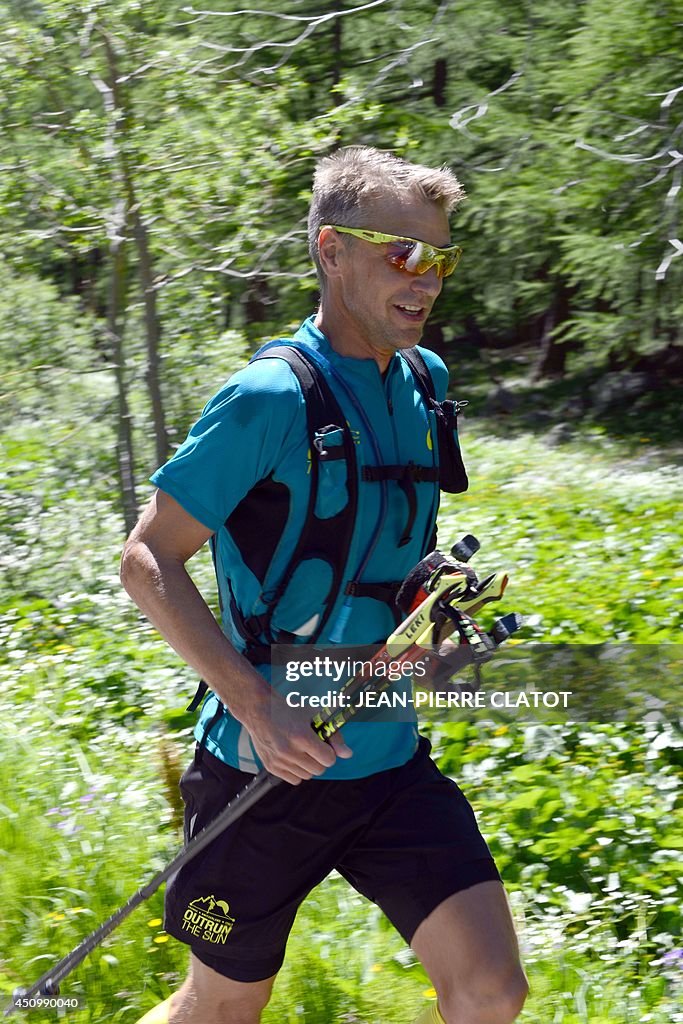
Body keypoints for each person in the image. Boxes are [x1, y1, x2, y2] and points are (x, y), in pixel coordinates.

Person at [121, 146, 528, 1024]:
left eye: (439, 259)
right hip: (263, 772)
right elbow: (147, 559)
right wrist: (259, 709)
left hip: (386, 759)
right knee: (218, 1008)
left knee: (491, 990)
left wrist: (434, 613)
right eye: (400, 252)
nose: (425, 278)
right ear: (329, 251)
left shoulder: (425, 383)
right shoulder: (268, 397)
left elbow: (377, 555)